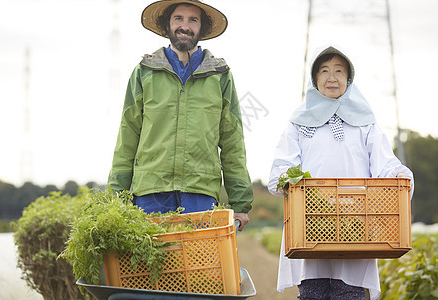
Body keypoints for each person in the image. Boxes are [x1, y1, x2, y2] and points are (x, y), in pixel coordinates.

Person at [268, 44, 414, 299]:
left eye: (339, 71)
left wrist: (399, 175)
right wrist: (287, 179)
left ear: (349, 78)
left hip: (355, 222)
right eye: (324, 71)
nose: (332, 77)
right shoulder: (299, 122)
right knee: (313, 291)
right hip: (311, 224)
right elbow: (281, 167)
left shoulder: (365, 122)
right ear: (314, 79)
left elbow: (385, 165)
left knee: (350, 291)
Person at [108, 0, 253, 229]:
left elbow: (232, 141)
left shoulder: (220, 76)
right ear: (167, 25)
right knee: (150, 264)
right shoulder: (144, 72)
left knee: (200, 264)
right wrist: (115, 198)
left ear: (201, 28)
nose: (184, 26)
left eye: (192, 20)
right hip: (150, 193)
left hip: (201, 192)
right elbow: (127, 136)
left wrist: (240, 203)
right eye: (178, 19)